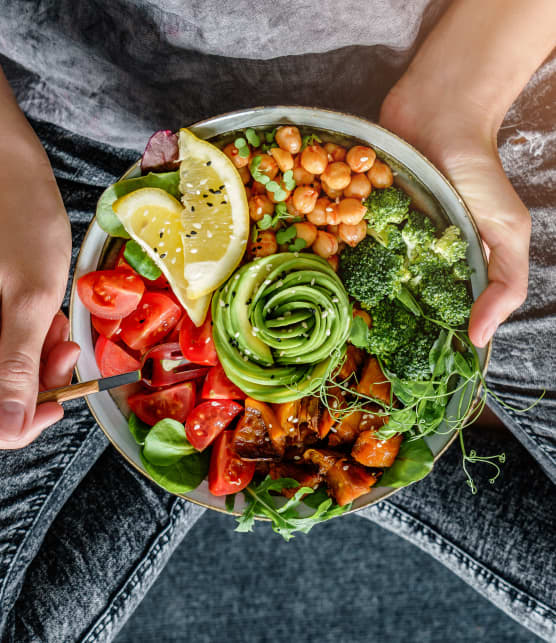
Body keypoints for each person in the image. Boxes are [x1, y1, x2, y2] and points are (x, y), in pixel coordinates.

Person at [0, 0, 554, 639]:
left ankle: (206, 457)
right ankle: (206, 454)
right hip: (58, 144)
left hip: (459, 78)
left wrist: (458, 94)